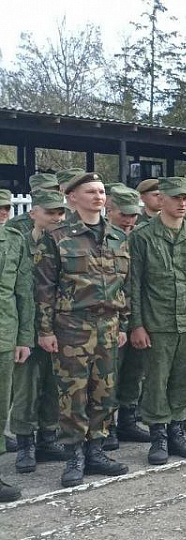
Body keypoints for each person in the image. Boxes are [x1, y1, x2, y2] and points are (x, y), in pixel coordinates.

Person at [34, 172, 131, 488]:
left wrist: (123, 324)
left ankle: (96, 451)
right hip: (71, 327)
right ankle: (74, 455)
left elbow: (125, 285)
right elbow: (45, 288)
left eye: (101, 192)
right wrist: (45, 331)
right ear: (72, 197)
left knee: (104, 391)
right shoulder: (57, 237)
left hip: (109, 325)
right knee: (73, 393)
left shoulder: (117, 236)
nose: (98, 197)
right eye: (91, 192)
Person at [127, 177, 186, 465]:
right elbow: (134, 284)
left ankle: (177, 431)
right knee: (156, 381)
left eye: (185, 198)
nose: (182, 203)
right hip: (157, 322)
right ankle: (158, 436)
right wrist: (137, 324)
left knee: (184, 379)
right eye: (176, 198)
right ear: (161, 200)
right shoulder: (142, 236)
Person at [9, 189, 68, 476]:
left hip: (61, 325)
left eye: (60, 213)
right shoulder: (20, 243)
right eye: (50, 213)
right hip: (29, 327)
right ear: (33, 213)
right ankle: (25, 444)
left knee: (54, 385)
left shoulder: (66, 243)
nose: (56, 218)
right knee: (26, 388)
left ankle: (48, 437)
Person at [106, 186, 152, 449]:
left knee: (135, 371)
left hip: (142, 315)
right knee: (110, 374)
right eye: (123, 214)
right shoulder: (103, 239)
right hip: (115, 319)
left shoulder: (141, 237)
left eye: (133, 215)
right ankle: (108, 426)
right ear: (110, 211)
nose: (129, 220)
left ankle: (128, 420)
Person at [0, 189, 34, 501]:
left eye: (5, 207)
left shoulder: (13, 240)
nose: (2, 213)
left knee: (1, 405)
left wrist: (24, 337)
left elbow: (23, 291)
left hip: (5, 333)